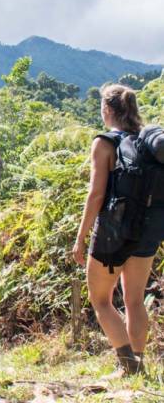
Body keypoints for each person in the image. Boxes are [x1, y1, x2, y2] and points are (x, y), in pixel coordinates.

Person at [72, 83, 160, 376]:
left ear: (108, 110)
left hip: (113, 233)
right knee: (135, 300)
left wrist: (81, 237)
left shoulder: (105, 143)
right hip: (148, 232)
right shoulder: (148, 143)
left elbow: (96, 195)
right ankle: (138, 361)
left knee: (100, 300)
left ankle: (129, 368)